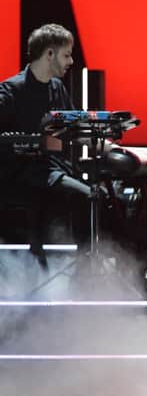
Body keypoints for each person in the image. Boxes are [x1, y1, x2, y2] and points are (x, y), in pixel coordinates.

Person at [0, 23, 90, 265]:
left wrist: (116, 150)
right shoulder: (11, 90)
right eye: (67, 55)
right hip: (20, 175)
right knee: (85, 197)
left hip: (51, 171)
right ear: (49, 54)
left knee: (99, 197)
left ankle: (90, 268)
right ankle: (85, 269)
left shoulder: (57, 88)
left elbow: (77, 130)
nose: (71, 61)